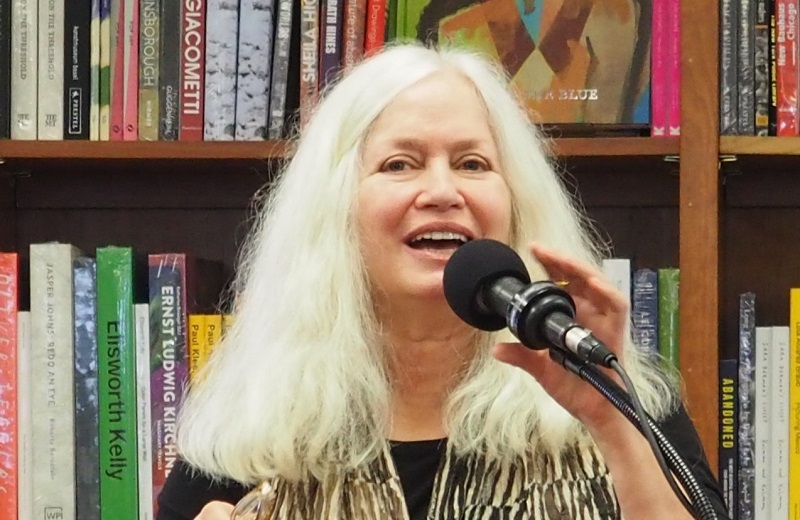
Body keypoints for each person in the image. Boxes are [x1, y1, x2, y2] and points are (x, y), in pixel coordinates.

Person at [156, 42, 728, 520]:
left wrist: (611, 420)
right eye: (399, 164)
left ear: (516, 203)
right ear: (335, 209)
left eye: (472, 163)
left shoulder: (611, 393)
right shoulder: (254, 422)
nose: (441, 191)